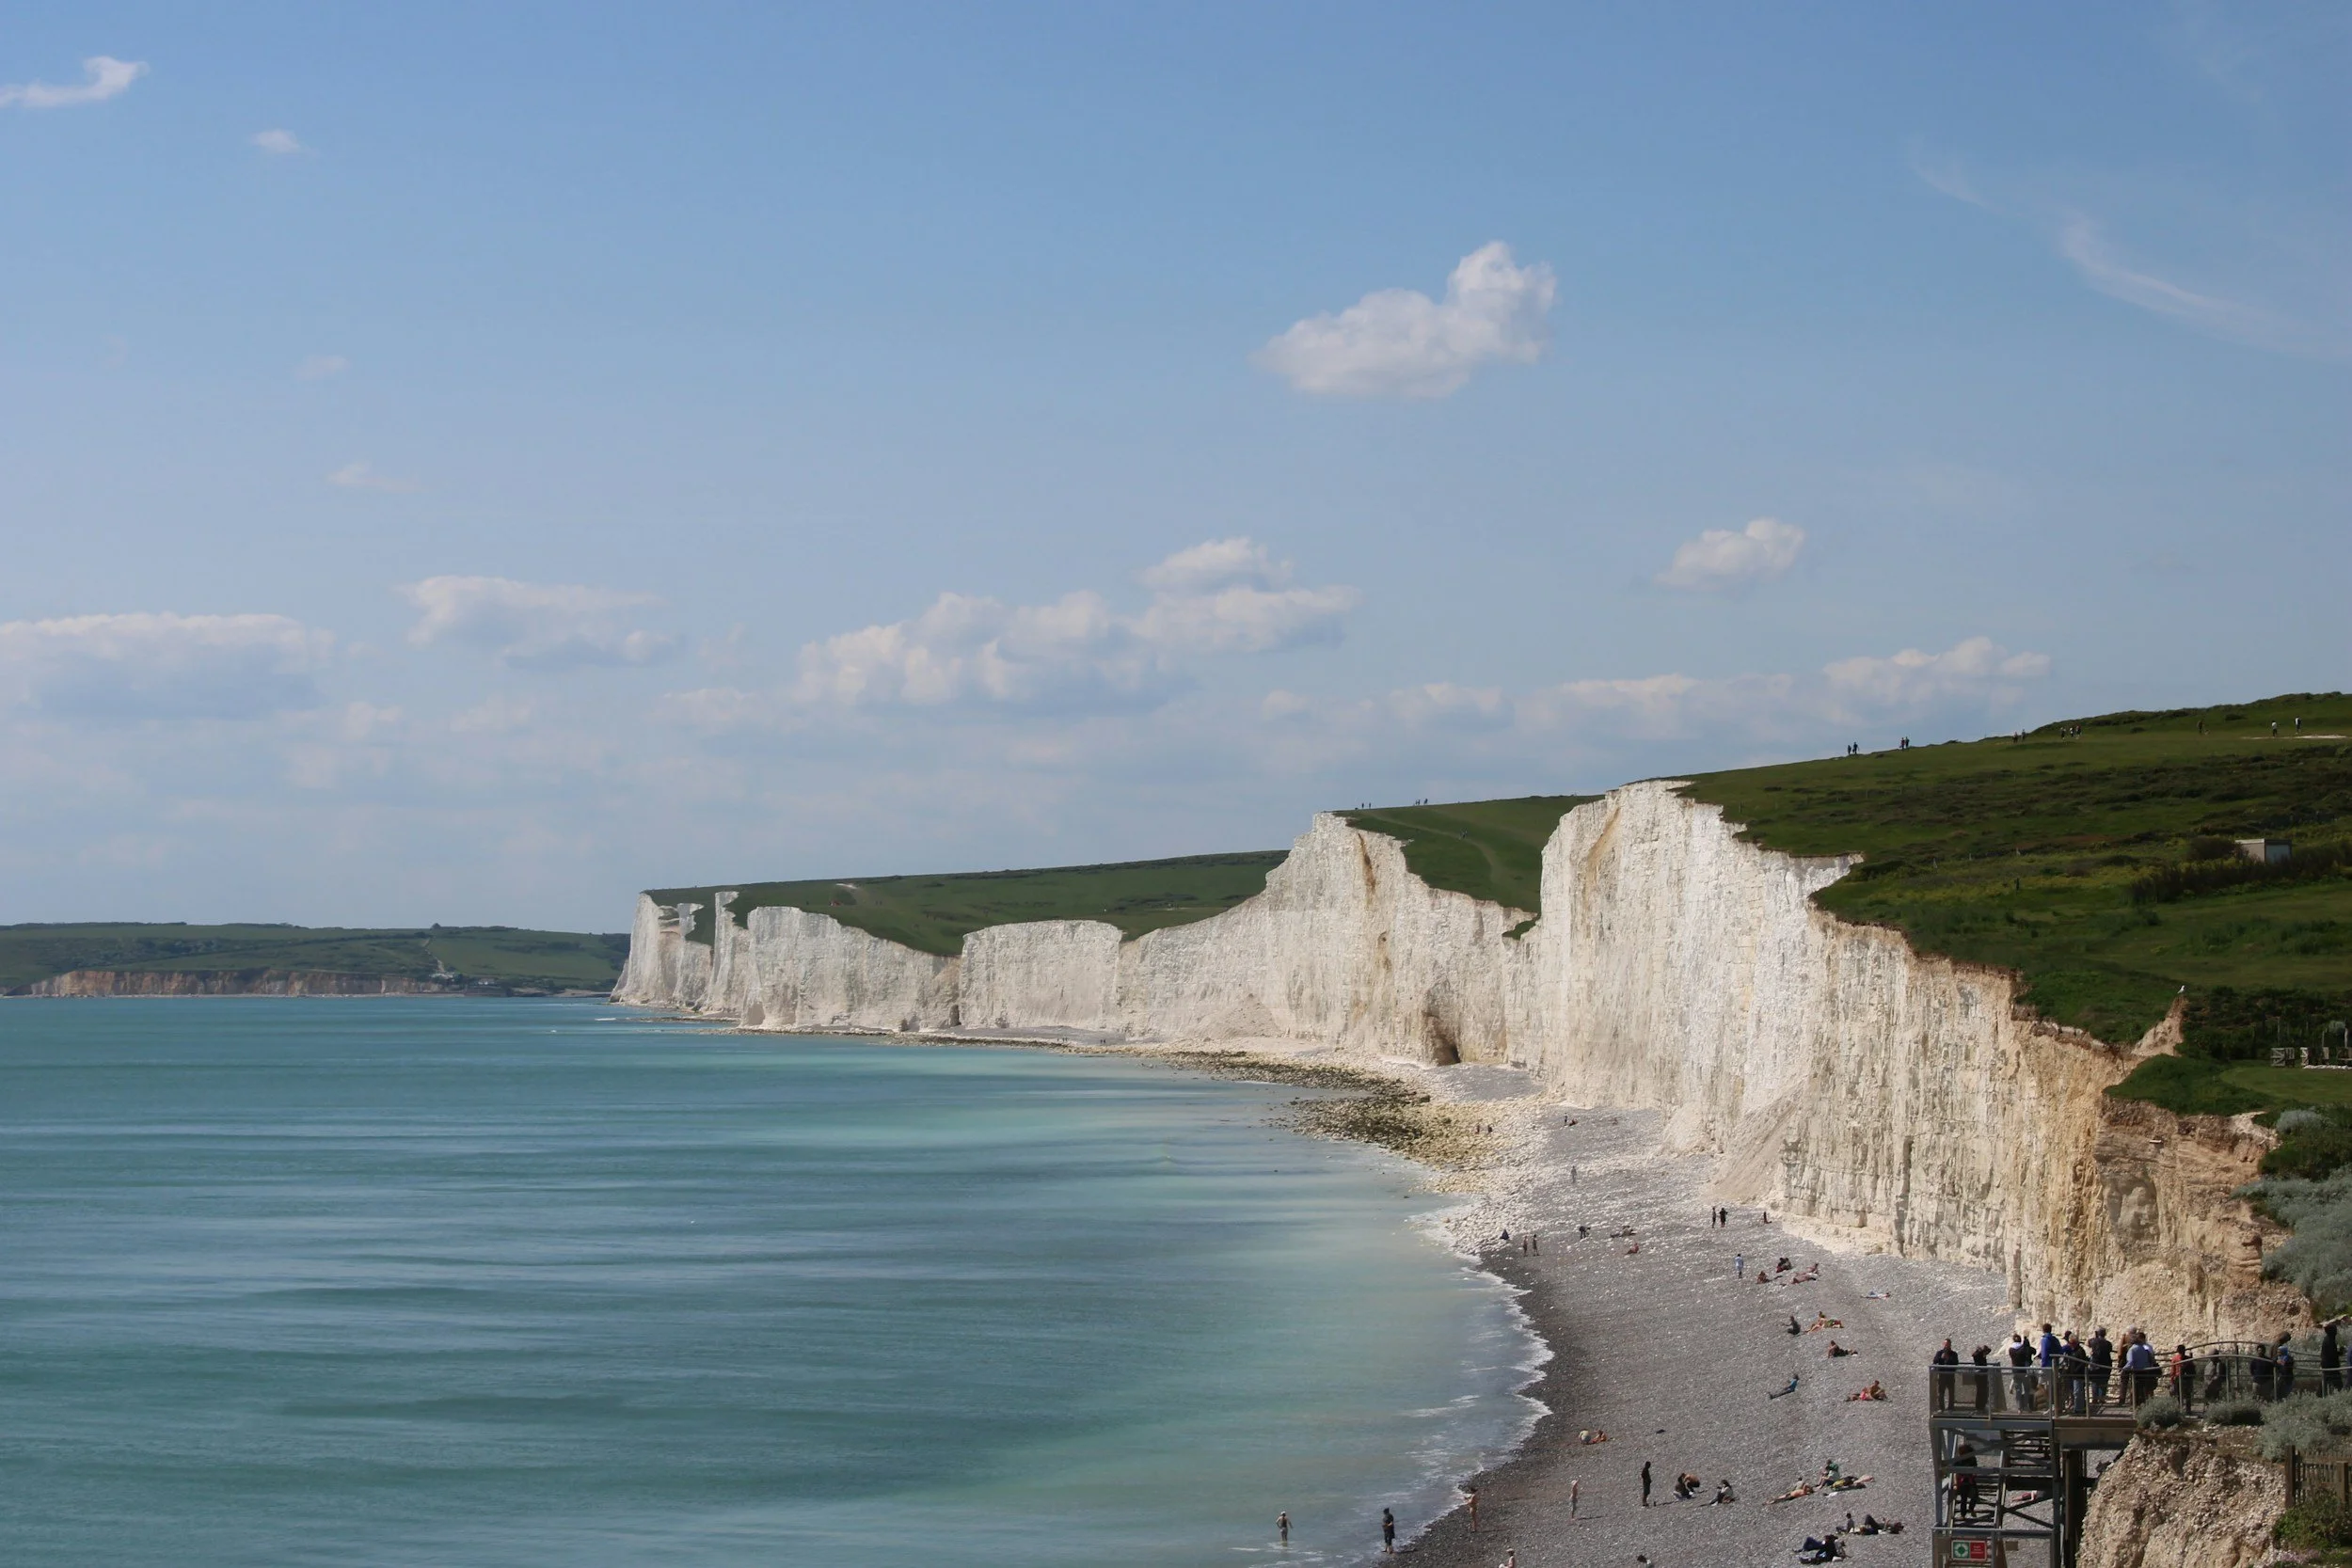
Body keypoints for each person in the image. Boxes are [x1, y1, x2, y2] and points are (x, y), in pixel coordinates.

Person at [2009, 1332, 2035, 1410]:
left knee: (2018, 1390)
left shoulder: (2011, 1349)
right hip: (2024, 1371)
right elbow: (2033, 1351)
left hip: (2015, 1371)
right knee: (2026, 1389)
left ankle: (2019, 1408)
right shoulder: (2024, 1349)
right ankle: (2026, 1406)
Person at [2089, 1327, 2114, 1411]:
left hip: (2095, 1365)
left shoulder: (2093, 1341)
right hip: (2106, 1365)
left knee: (2095, 1382)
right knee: (2104, 1382)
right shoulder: (2108, 1344)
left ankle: (2095, 1399)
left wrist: (2095, 1337)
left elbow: (2087, 1343)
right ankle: (2102, 1398)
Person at [1931, 1338, 1959, 1410]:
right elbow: (1935, 1361)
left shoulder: (1954, 1354)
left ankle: (1951, 1408)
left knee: (1951, 1392)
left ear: (1950, 1345)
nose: (1947, 1346)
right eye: (1945, 1344)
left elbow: (1955, 1363)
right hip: (1942, 1376)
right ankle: (1942, 1408)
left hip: (1950, 1376)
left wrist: (1948, 1358)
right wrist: (1941, 1358)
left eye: (1948, 1344)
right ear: (1943, 1345)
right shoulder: (1939, 1353)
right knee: (1941, 1393)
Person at [2326, 1320, 2344, 1393]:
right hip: (2331, 1367)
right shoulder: (2329, 1341)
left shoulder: (2329, 1339)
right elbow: (2332, 1355)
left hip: (2329, 1367)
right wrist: (2340, 1352)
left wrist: (2339, 1352)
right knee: (2339, 1385)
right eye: (2335, 1330)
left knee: (2325, 1383)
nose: (2336, 1332)